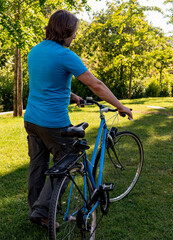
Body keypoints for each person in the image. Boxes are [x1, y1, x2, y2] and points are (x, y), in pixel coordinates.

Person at [24, 9, 133, 227]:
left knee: (38, 165)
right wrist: (120, 106)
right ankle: (43, 212)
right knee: (69, 161)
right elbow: (96, 84)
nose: (75, 36)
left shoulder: (35, 51)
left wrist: (71, 95)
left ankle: (37, 208)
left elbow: (46, 83)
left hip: (32, 120)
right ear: (64, 31)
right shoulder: (65, 55)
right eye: (73, 32)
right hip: (53, 123)